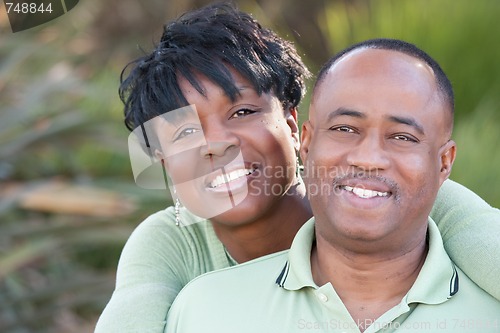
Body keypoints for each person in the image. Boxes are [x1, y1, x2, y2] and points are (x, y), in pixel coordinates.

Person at [95, 3, 500, 332]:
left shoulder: (397, 195)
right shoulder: (172, 246)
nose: (215, 146)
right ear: (164, 163)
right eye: (183, 134)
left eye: (242, 111)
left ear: (293, 127)